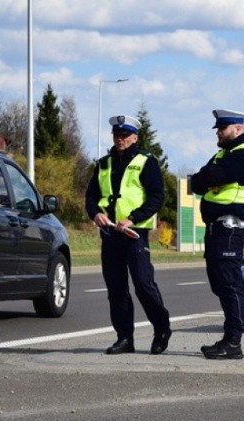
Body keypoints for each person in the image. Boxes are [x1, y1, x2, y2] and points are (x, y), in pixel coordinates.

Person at [85, 114, 171, 355]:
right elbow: (91, 197)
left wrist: (132, 218)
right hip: (110, 233)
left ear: (135, 137)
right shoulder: (103, 163)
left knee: (143, 284)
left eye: (125, 135)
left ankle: (162, 329)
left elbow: (156, 197)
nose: (120, 139)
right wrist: (96, 215)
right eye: (116, 135)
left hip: (134, 233)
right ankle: (125, 338)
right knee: (116, 289)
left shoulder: (147, 162)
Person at [190, 109, 244, 360]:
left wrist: (210, 177)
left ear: (238, 129)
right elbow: (197, 182)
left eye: (222, 129)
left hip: (230, 227)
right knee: (219, 282)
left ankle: (234, 342)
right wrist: (209, 178)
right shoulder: (222, 154)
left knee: (229, 282)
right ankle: (231, 331)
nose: (218, 133)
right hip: (216, 228)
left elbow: (212, 175)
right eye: (218, 129)